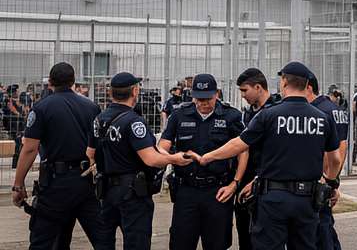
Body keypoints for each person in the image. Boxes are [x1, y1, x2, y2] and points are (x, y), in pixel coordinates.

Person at [196, 61, 342, 250]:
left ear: (284, 82)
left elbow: (239, 144)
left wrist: (208, 157)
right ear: (307, 85)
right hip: (307, 199)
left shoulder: (269, 115)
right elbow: (335, 159)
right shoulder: (322, 118)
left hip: (274, 198)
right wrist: (331, 183)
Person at [88, 72, 193, 250]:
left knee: (105, 241)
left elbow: (90, 153)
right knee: (136, 242)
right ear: (135, 91)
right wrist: (174, 159)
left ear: (111, 93)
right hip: (132, 193)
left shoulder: (99, 119)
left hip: (106, 190)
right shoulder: (134, 121)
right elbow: (151, 159)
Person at [12, 63, 107, 250]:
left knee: (45, 240)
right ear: (73, 81)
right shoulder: (91, 107)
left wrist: (18, 184)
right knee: (102, 239)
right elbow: (99, 145)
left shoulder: (41, 108)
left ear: (50, 82)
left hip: (56, 183)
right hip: (86, 181)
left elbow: (30, 149)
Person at [159, 73, 247, 250]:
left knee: (217, 244)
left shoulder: (231, 116)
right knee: (180, 243)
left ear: (217, 94)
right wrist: (172, 158)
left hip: (218, 191)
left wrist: (235, 184)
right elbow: (162, 146)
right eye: (199, 99)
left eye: (208, 98)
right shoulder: (179, 115)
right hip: (186, 190)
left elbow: (243, 150)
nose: (203, 103)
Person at [234, 67, 280, 250]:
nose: (243, 95)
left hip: (269, 182)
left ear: (258, 87)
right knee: (244, 233)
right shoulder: (247, 114)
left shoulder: (278, 111)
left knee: (267, 239)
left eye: (245, 90)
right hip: (245, 180)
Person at [306, 72, 348, 250]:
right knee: (325, 227)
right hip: (329, 177)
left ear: (308, 88)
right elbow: (342, 146)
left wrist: (323, 178)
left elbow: (326, 150)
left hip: (319, 180)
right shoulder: (334, 109)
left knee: (320, 229)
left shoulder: (318, 112)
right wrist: (333, 180)